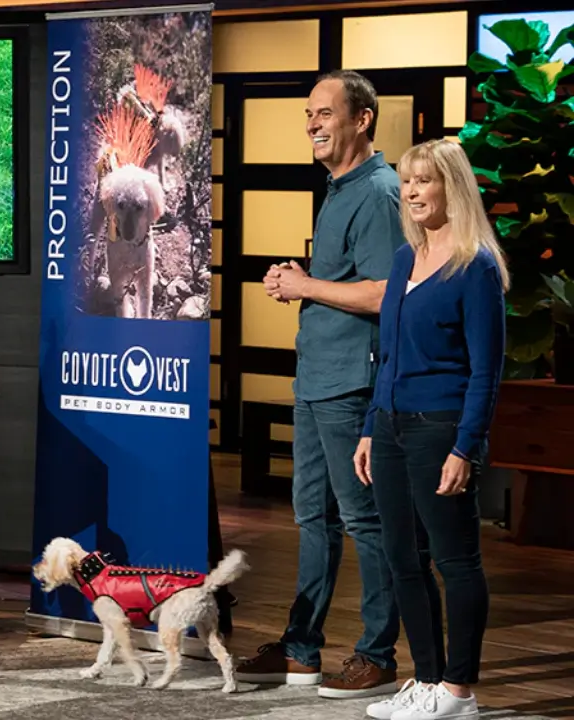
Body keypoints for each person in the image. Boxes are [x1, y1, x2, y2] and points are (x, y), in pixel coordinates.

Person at [235, 69, 404, 699]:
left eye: (324, 113)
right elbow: (347, 281)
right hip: (315, 379)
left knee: (363, 521)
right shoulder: (339, 187)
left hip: (349, 385)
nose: (311, 123)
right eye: (308, 113)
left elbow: (388, 292)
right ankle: (301, 650)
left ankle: (377, 654)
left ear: (361, 119)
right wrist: (303, 278)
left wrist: (306, 286)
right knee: (313, 517)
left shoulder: (381, 190)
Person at [354, 138, 505, 720]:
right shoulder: (402, 260)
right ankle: (426, 680)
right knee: (402, 558)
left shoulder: (476, 267)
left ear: (452, 188)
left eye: (425, 181)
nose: (413, 191)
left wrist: (466, 446)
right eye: (408, 181)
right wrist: (370, 427)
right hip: (390, 426)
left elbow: (486, 370)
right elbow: (386, 356)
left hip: (441, 428)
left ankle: (460, 692)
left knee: (455, 559)